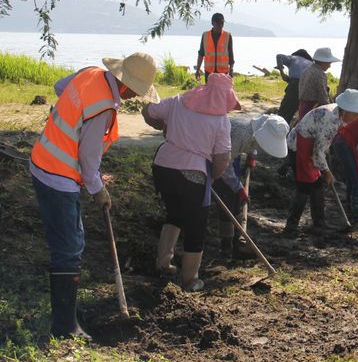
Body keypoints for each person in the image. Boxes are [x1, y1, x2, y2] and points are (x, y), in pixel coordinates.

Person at [30, 52, 159, 340]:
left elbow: (60, 89)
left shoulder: (89, 73)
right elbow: (88, 158)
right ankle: (64, 327)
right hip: (58, 175)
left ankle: (65, 320)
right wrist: (98, 189)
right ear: (126, 85)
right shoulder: (103, 108)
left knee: (66, 241)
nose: (134, 98)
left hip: (42, 158)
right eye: (135, 92)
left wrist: (72, 123)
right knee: (70, 247)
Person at [142, 73, 239, 292]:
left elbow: (148, 111)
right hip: (193, 173)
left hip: (163, 166)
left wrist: (162, 126)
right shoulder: (221, 120)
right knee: (196, 227)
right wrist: (211, 177)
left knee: (174, 214)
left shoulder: (178, 101)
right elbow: (222, 158)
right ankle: (190, 280)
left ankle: (164, 263)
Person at [283, 89, 358, 236]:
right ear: (347, 109)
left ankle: (319, 223)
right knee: (304, 186)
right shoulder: (331, 120)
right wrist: (327, 171)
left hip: (311, 145)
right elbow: (318, 151)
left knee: (317, 184)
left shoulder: (339, 115)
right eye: (355, 113)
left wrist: (324, 169)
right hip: (300, 145)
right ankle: (291, 226)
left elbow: (321, 147)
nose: (357, 117)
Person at [214, 114, 289, 258]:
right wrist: (238, 188)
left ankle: (235, 240)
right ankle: (227, 246)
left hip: (229, 152)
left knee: (233, 197)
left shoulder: (259, 125)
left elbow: (255, 142)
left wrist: (251, 156)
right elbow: (224, 166)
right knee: (228, 196)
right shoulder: (240, 134)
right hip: (214, 154)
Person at [297, 47, 341, 120]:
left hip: (302, 107)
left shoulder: (306, 70)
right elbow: (323, 98)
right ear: (323, 62)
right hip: (312, 110)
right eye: (329, 63)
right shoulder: (320, 74)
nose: (329, 66)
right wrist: (333, 110)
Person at [275, 49, 313, 124]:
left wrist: (282, 73)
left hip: (295, 87)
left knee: (284, 112)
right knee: (303, 114)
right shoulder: (311, 63)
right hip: (309, 89)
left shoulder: (293, 58)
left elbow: (279, 56)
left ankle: (278, 129)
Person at [195, 13, 234, 82]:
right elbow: (201, 54)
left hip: (223, 73)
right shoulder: (205, 36)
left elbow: (231, 54)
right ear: (212, 23)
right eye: (218, 23)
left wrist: (231, 69)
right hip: (209, 72)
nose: (220, 26)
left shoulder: (227, 36)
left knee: (222, 92)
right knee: (210, 92)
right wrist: (198, 70)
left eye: (222, 23)